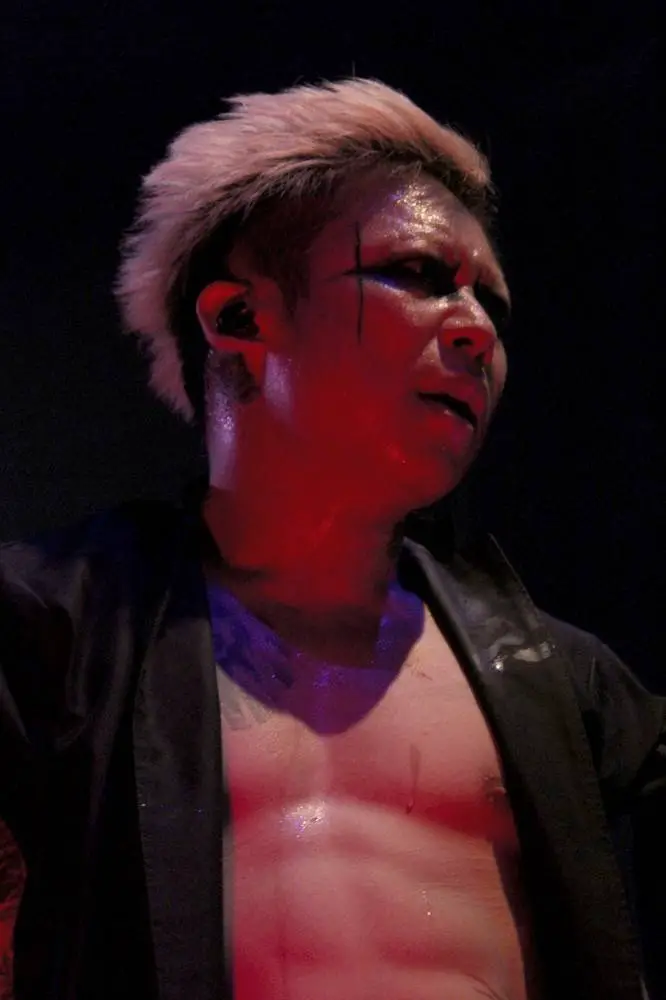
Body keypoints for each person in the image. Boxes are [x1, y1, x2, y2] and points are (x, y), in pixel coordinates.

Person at [0, 78, 663, 1000]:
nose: (477, 331)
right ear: (241, 317)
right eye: (419, 274)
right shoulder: (49, 634)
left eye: (492, 304)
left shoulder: (563, 678)